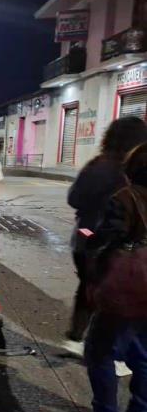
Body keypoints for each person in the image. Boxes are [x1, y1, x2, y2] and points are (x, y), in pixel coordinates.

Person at [65, 143, 147, 412]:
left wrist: (87, 236)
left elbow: (104, 240)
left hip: (129, 290)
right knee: (143, 354)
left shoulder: (126, 198)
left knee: (99, 352)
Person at [66, 117, 147, 345]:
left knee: (91, 285)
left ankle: (81, 335)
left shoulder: (99, 165)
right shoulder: (138, 168)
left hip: (90, 235)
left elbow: (74, 198)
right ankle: (111, 343)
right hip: (132, 247)